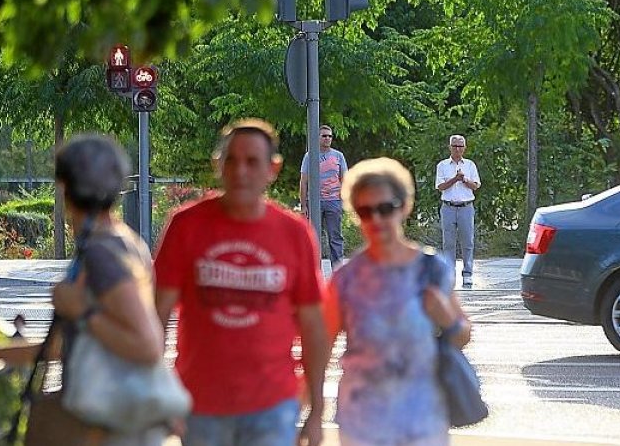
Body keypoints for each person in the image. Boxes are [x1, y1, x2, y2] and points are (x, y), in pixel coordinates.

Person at [0, 134, 168, 445]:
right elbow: (73, 345)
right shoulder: (124, 242)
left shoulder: (103, 254)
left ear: (65, 189)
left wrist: (81, 310)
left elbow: (147, 345)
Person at [154, 119, 328, 446]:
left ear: (272, 169)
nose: (240, 171)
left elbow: (313, 325)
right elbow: (156, 316)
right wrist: (160, 393)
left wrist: (317, 410)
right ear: (217, 164)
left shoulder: (294, 234)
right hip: (200, 405)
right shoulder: (186, 225)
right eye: (231, 160)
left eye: (252, 162)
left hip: (273, 405)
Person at [325, 158, 471, 446]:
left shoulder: (431, 269)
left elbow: (463, 335)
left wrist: (447, 320)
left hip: (422, 416)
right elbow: (323, 344)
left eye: (385, 208)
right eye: (365, 211)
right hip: (361, 419)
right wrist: (312, 405)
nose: (376, 219)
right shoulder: (345, 279)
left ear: (404, 207)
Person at [300, 124, 349, 267]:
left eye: (330, 136)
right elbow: (304, 181)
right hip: (314, 201)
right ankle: (314, 270)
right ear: (318, 138)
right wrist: (303, 205)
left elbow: (345, 179)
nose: (327, 138)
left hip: (334, 201)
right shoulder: (310, 156)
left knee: (335, 237)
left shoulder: (338, 156)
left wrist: (343, 200)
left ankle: (338, 272)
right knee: (313, 237)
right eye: (324, 136)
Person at [435, 135, 480, 288]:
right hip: (448, 207)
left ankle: (467, 274)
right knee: (448, 243)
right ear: (450, 147)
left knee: (467, 242)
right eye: (454, 146)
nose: (457, 149)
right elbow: (440, 186)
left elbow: (476, 185)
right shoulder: (442, 165)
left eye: (460, 146)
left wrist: (464, 179)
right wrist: (454, 179)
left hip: (466, 207)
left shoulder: (470, 165)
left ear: (464, 148)